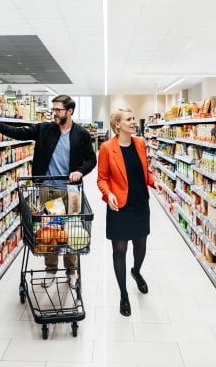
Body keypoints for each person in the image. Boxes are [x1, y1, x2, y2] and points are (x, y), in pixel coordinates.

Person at [0, 94, 97, 287]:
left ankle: (72, 272)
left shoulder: (81, 134)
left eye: (58, 110)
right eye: (52, 109)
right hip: (47, 189)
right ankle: (51, 271)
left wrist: (80, 171)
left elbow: (91, 160)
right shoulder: (45, 129)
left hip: (70, 192)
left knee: (71, 232)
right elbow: (22, 132)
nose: (53, 113)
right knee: (50, 233)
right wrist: (0, 126)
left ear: (69, 111)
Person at [97, 107, 163, 316]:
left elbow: (143, 171)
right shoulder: (107, 148)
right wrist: (108, 195)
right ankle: (124, 294)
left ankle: (136, 271)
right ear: (117, 125)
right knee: (119, 250)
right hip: (119, 206)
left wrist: (153, 182)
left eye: (134, 118)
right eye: (129, 119)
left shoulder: (140, 143)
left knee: (141, 244)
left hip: (140, 203)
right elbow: (102, 179)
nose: (134, 122)